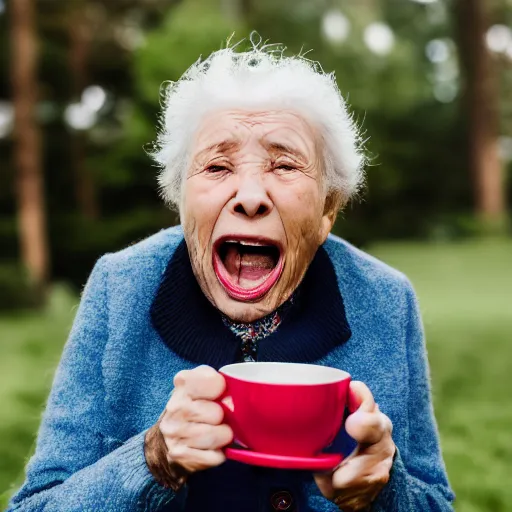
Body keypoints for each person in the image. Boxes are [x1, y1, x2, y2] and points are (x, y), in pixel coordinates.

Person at [7, 37, 454, 512]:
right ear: (181, 202)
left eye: (284, 164)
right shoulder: (119, 289)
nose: (249, 196)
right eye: (217, 166)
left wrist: (385, 489)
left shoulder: (386, 299)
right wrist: (151, 461)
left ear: (328, 208)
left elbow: (433, 503)